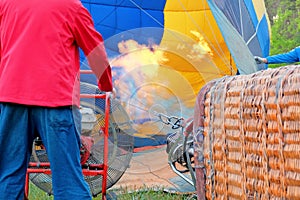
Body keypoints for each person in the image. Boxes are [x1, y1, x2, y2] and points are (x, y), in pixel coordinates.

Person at [0, 0, 113, 199]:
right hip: (56, 100)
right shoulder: (71, 6)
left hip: (11, 97)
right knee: (68, 179)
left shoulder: (6, 3)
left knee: (8, 175)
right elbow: (96, 51)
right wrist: (106, 85)